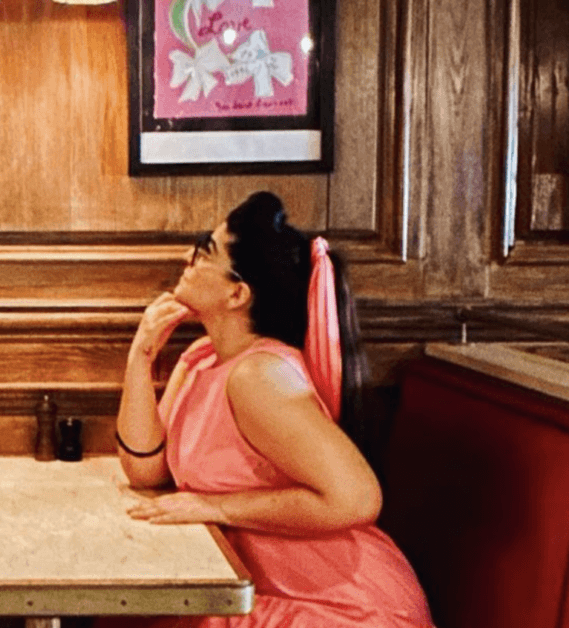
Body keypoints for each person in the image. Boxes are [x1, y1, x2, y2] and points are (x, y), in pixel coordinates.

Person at [114, 191, 434, 628]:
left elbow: (357, 498)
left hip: (341, 607)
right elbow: (144, 472)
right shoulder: (202, 359)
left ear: (236, 294)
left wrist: (217, 507)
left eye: (205, 252)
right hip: (265, 593)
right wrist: (140, 356)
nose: (187, 256)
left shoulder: (261, 375)